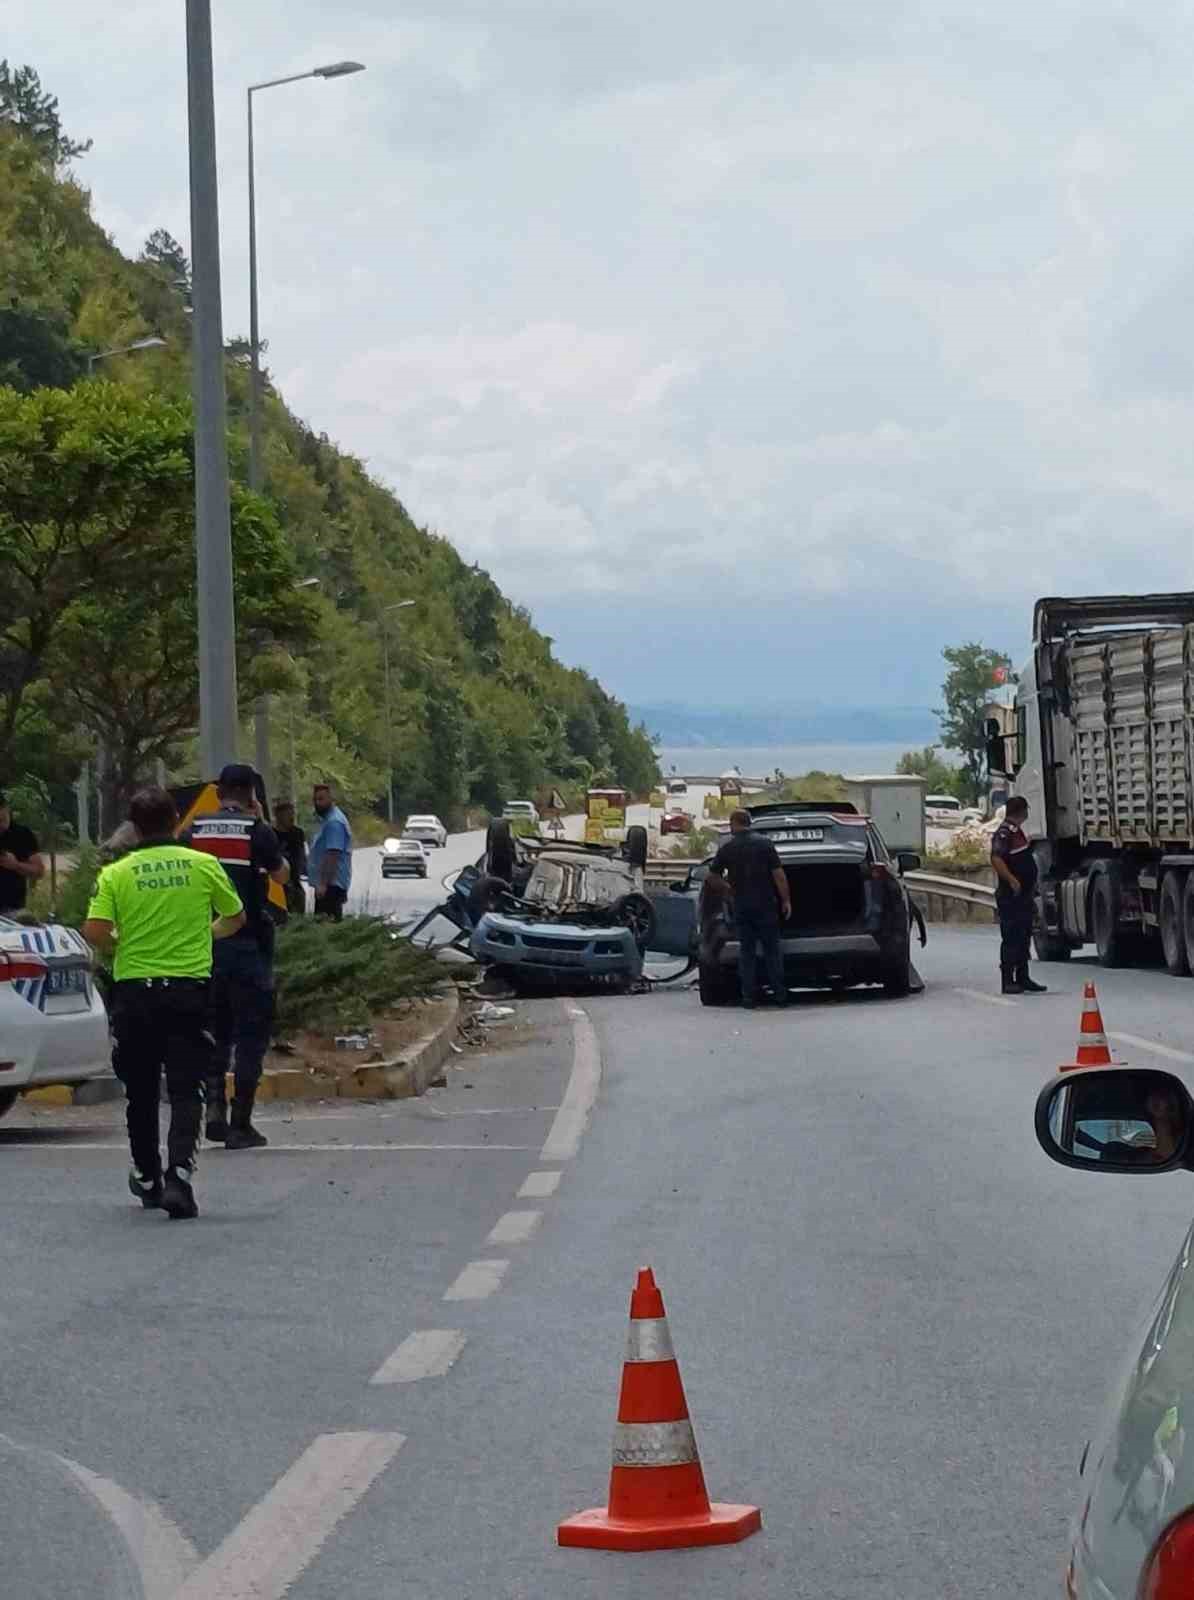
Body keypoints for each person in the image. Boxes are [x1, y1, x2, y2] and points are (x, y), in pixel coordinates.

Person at [82, 786, 245, 1219]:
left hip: (135, 992)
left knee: (140, 1091)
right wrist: (203, 936)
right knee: (188, 1087)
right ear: (177, 819)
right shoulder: (203, 865)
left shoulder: (118, 872)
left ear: (134, 827)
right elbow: (236, 916)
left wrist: (122, 947)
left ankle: (148, 1176)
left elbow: (95, 930)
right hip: (189, 991)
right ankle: (179, 1177)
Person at [184, 764, 288, 1149]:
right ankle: (241, 1123)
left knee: (215, 1031)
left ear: (219, 790)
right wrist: (263, 825)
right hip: (247, 945)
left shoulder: (193, 830)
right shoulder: (256, 831)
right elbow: (281, 877)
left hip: (203, 946)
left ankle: (214, 1108)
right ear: (250, 794)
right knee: (251, 1035)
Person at [709, 809, 792, 1008]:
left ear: (734, 824)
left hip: (741, 906)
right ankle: (780, 995)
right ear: (749, 823)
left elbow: (712, 877)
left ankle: (748, 997)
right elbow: (778, 875)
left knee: (747, 952)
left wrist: (728, 890)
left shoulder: (728, 848)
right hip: (766, 905)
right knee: (772, 950)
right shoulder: (765, 844)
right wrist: (786, 900)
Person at [990, 794, 1046, 996]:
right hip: (1011, 895)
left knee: (1024, 935)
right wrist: (1012, 880)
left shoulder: (1016, 832)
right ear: (1021, 811)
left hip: (1022, 895)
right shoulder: (1005, 833)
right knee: (1011, 936)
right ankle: (1008, 980)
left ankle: (1023, 977)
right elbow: (996, 858)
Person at [309, 782, 352, 919]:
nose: (317, 803)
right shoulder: (328, 820)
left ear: (331, 799)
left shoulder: (334, 822)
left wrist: (323, 883)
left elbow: (332, 855)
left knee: (326, 926)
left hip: (331, 885)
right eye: (315, 799)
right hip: (329, 884)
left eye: (321, 799)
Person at [0, 791, 46, 915]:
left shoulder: (22, 834)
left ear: (6, 809)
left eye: (1, 819)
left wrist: (16, 865)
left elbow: (39, 871)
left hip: (12, 909)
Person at [272, 798, 308, 917]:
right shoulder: (271, 834)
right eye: (288, 813)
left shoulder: (298, 833)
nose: (292, 817)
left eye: (293, 813)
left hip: (295, 883)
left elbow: (301, 856)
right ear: (278, 815)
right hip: (277, 885)